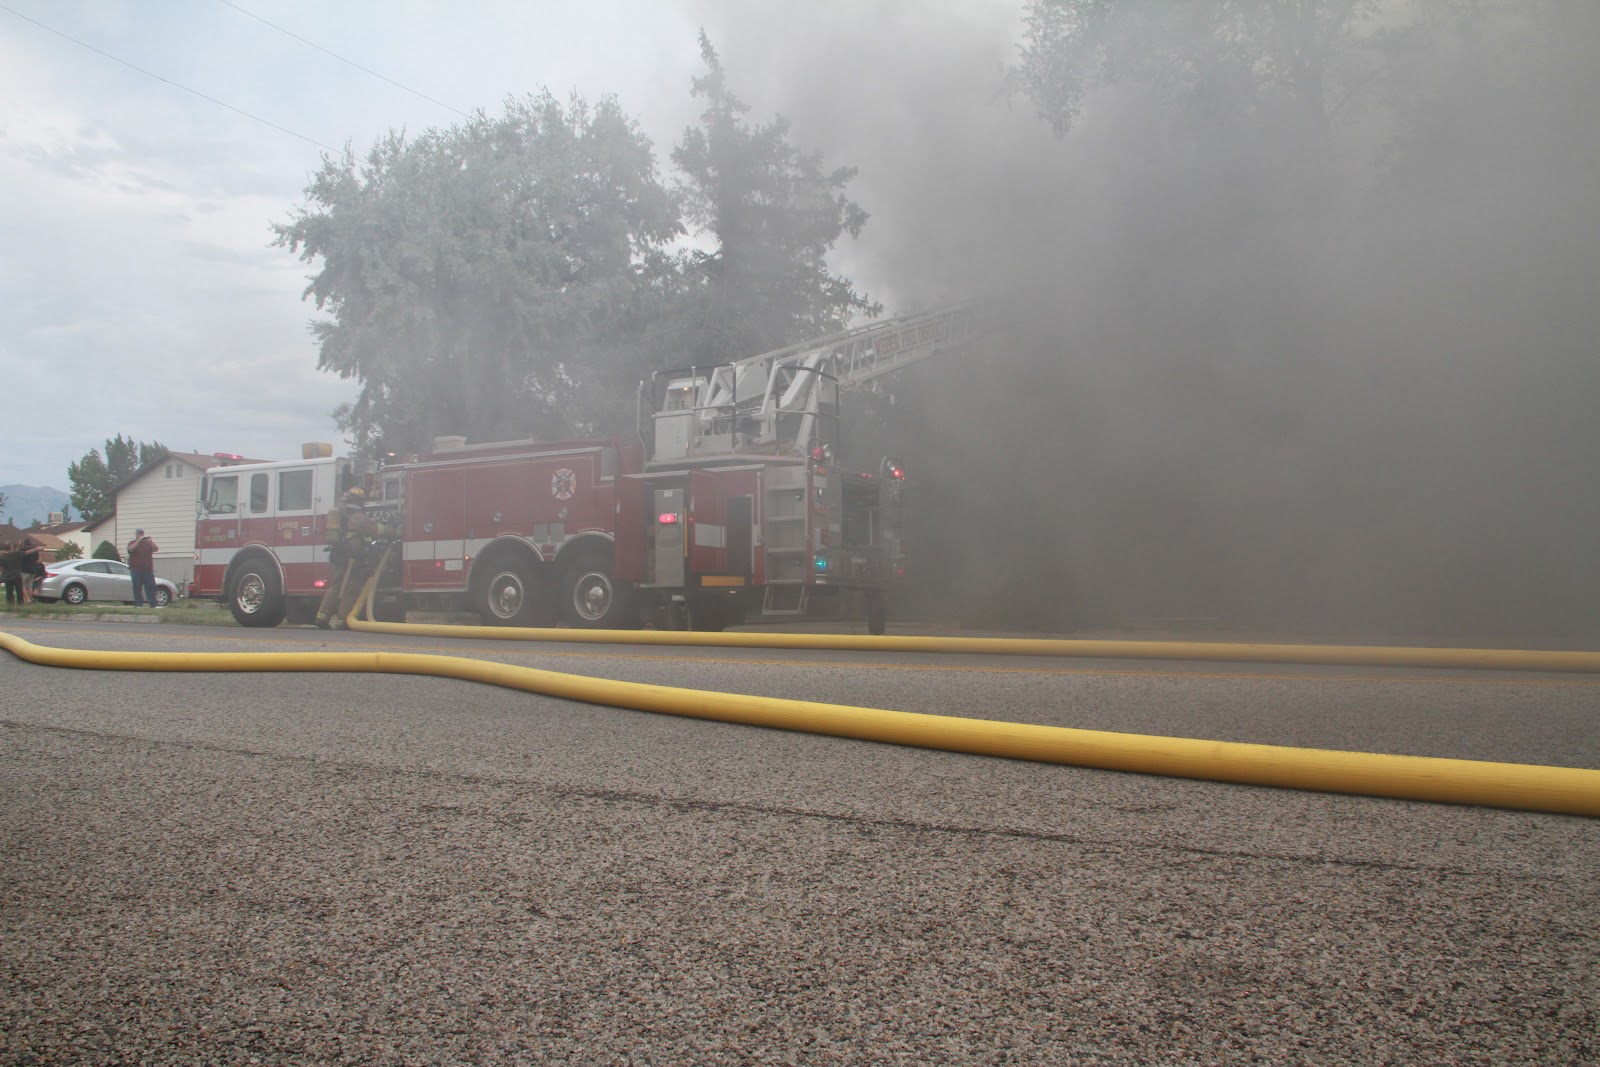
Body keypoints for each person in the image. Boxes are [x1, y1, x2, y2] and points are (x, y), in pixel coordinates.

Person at [315, 488, 388, 629]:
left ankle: (321, 618)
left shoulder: (341, 513)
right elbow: (374, 529)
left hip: (338, 555)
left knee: (335, 587)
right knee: (351, 589)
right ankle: (342, 622)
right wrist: (394, 531)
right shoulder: (357, 516)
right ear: (358, 501)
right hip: (352, 558)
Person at [127, 529, 160, 607]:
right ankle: (138, 604)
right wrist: (138, 541)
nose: (141, 535)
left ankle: (153, 604)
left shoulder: (148, 543)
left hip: (147, 570)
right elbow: (130, 549)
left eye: (142, 533)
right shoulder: (132, 543)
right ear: (136, 535)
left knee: (151, 587)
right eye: (139, 533)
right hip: (136, 570)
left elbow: (156, 549)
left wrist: (151, 541)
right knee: (137, 588)